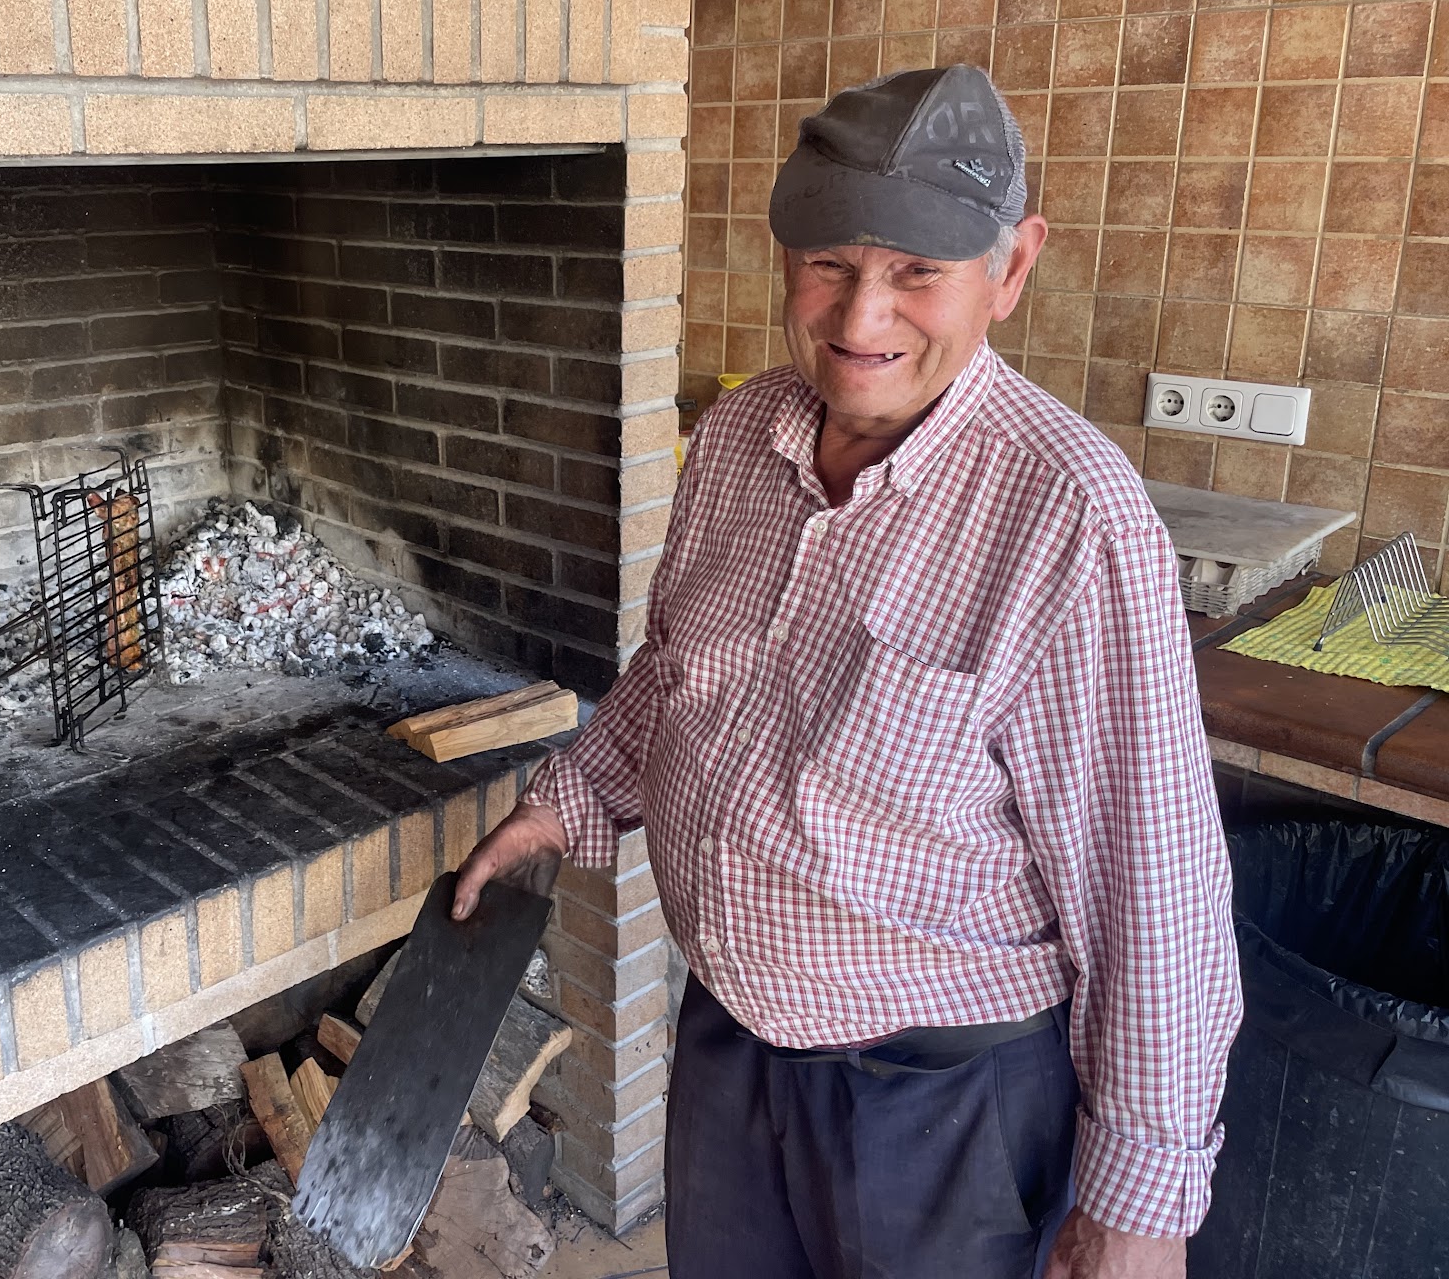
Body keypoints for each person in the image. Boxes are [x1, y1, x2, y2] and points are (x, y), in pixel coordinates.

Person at [452, 66, 1241, 1279]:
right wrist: (565, 803)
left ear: (1011, 269)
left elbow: (1155, 893)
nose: (862, 316)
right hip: (731, 1047)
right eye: (829, 262)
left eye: (918, 271)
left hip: (942, 1107)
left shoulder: (1070, 519)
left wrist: (1141, 1208)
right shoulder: (736, 437)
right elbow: (679, 673)